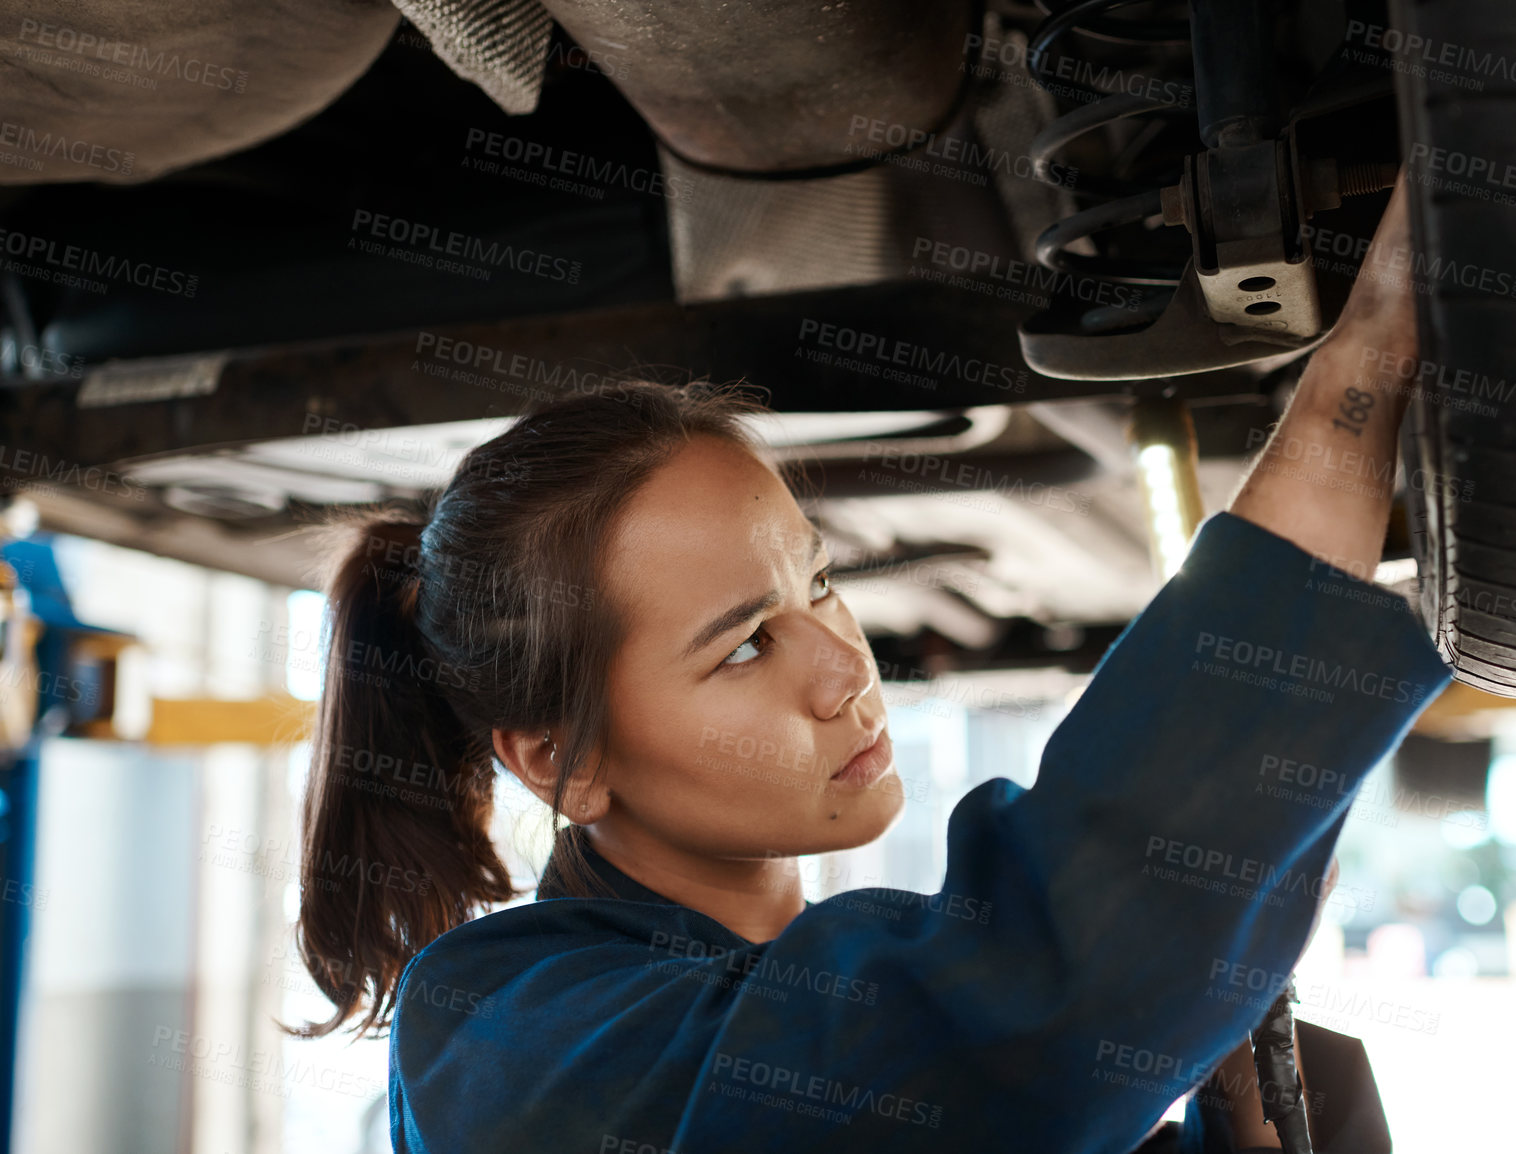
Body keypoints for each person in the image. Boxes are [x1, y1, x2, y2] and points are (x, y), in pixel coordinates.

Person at [288, 175, 1452, 1153]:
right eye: (744, 644)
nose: (844, 669)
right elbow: (1024, 1006)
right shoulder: (499, 1041)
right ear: (564, 762)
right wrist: (1367, 360)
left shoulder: (770, 990)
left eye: (821, 584)